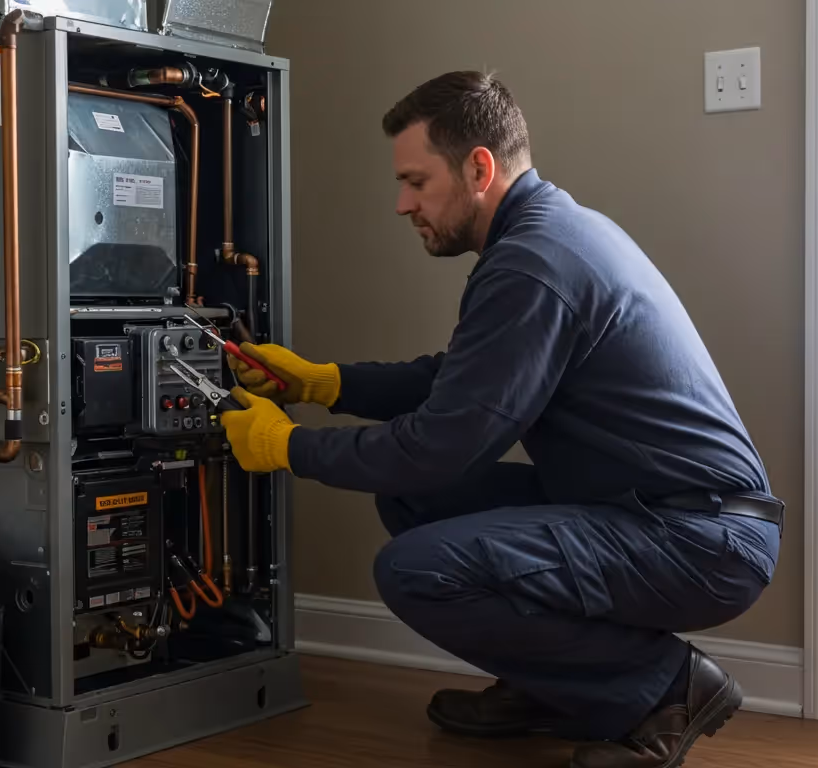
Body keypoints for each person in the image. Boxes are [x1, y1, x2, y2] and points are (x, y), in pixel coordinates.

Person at [218, 71, 783, 768]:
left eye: (417, 182)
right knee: (411, 497)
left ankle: (664, 689)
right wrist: (326, 383)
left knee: (416, 569)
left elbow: (441, 446)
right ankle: (557, 688)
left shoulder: (534, 263)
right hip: (658, 513)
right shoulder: (551, 234)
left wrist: (289, 447)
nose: (402, 204)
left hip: (697, 538)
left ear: (479, 167)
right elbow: (459, 382)